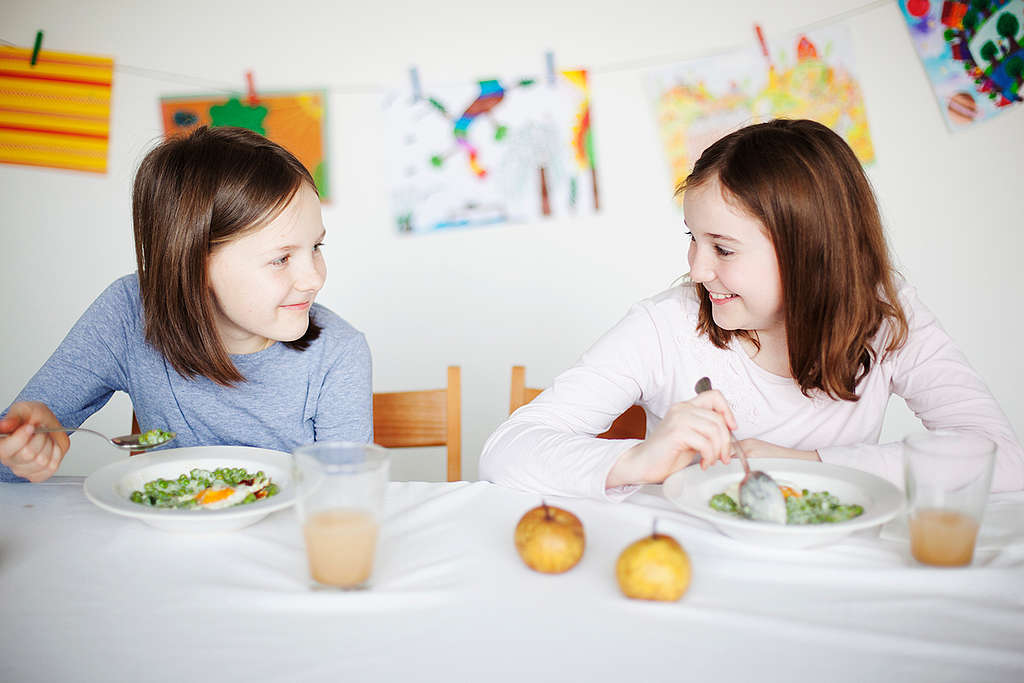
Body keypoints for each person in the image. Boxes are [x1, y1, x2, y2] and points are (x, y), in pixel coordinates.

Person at [480, 118, 1024, 500]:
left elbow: (1001, 456)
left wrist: (801, 464)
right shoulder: (664, 327)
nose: (696, 268)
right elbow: (507, 450)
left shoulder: (885, 319)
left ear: (806, 250)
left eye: (723, 247)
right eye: (693, 239)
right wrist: (637, 461)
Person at [0, 126, 372, 483]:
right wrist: (21, 448)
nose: (314, 279)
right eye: (281, 259)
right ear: (194, 262)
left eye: (316, 248)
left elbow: (347, 500)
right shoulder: (129, 314)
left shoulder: (339, 353)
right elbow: (7, 462)